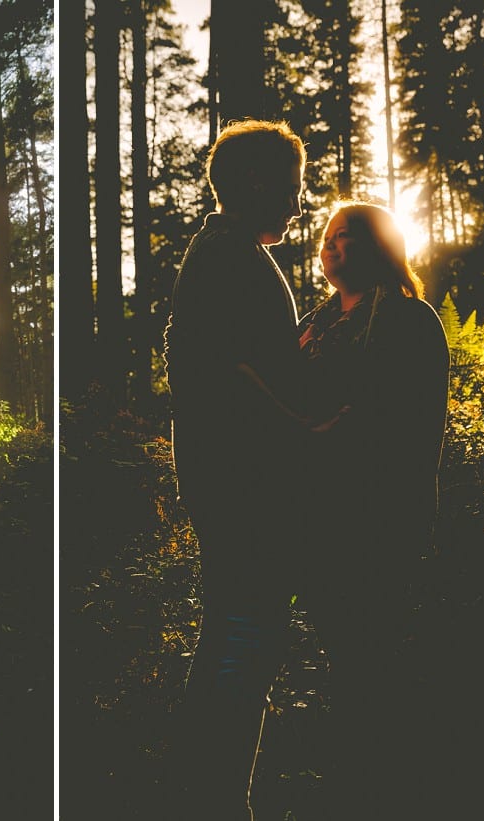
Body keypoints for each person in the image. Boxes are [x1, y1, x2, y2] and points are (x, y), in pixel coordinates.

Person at [162, 118, 312, 819]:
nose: (298, 201)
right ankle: (221, 799)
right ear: (254, 184)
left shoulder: (224, 252)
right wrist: (305, 422)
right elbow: (221, 370)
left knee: (232, 628)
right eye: (291, 186)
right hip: (243, 485)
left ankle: (203, 789)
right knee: (247, 635)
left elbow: (237, 357)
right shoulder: (228, 254)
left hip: (229, 479)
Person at [295, 200, 449, 819]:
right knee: (343, 650)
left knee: (372, 653)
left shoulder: (410, 321)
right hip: (314, 516)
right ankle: (352, 777)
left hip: (379, 516)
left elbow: (407, 424)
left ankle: (377, 786)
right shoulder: (312, 322)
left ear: (382, 245)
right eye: (326, 239)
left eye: (347, 239)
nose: (331, 249)